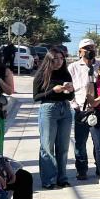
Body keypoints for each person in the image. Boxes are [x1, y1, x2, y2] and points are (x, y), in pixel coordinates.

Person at [32, 48, 74, 189]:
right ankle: (49, 180)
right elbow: (36, 97)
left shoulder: (65, 73)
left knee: (63, 147)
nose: (59, 61)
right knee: (47, 146)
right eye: (55, 58)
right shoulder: (41, 75)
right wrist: (52, 91)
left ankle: (62, 178)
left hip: (65, 110)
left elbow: (69, 97)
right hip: (48, 110)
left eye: (61, 58)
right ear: (49, 59)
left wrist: (70, 90)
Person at [68, 38, 100, 180]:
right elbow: (68, 89)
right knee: (80, 142)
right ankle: (81, 170)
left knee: (98, 142)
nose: (90, 51)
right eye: (87, 48)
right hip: (80, 110)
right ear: (80, 51)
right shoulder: (73, 67)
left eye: (92, 48)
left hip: (98, 109)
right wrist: (75, 106)